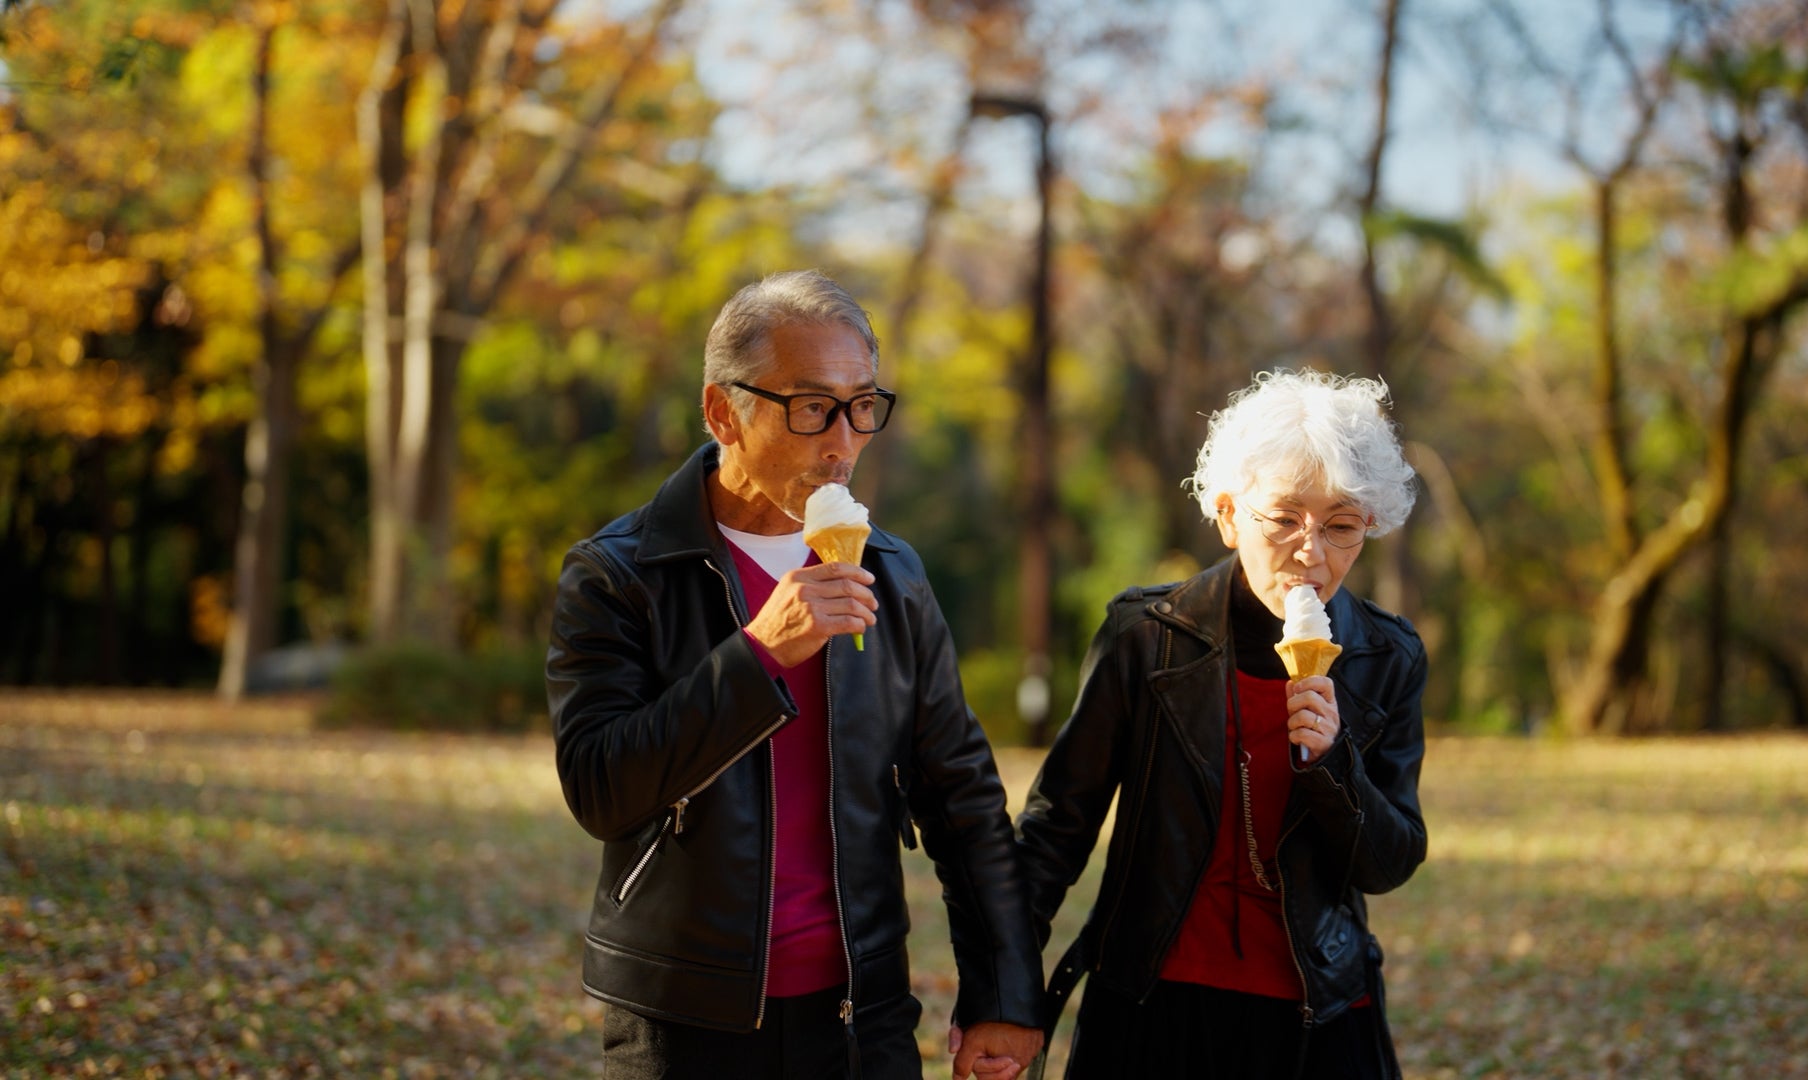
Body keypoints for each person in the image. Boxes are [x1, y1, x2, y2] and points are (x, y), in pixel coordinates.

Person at [548, 270, 1044, 1079]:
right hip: (682, 1018)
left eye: (862, 406)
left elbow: (963, 799)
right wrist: (758, 655)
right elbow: (601, 789)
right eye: (812, 408)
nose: (843, 442)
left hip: (862, 1016)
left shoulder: (893, 574)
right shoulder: (619, 574)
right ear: (723, 412)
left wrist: (1005, 992)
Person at [1015, 369, 1428, 1079]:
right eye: (1284, 518)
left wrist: (1334, 765)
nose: (1312, 551)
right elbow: (1057, 828)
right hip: (1154, 1003)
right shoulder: (1147, 637)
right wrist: (1003, 989)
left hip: (1321, 1010)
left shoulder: (1387, 656)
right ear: (1231, 515)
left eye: (1341, 526)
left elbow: (1389, 864)